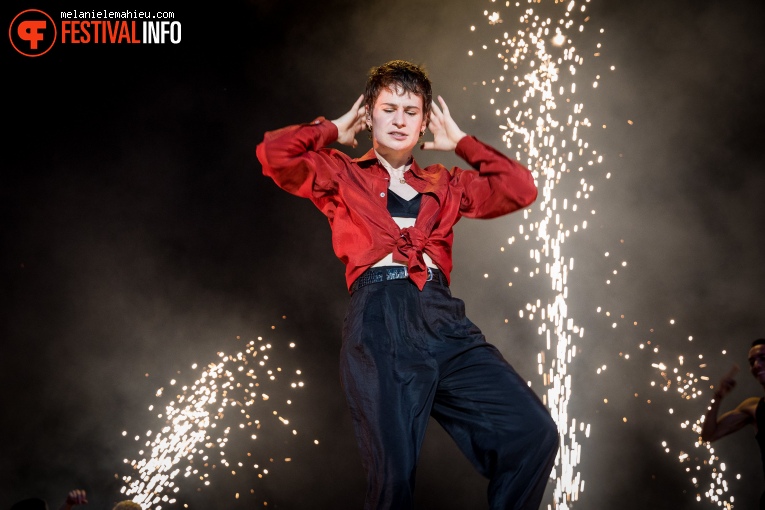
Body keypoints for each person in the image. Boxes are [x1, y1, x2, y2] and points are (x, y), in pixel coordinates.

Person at [256, 59, 558, 510]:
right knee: (393, 483)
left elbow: (521, 188)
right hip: (380, 320)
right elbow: (274, 154)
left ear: (423, 123)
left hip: (442, 320)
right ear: (370, 115)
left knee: (533, 432)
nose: (399, 120)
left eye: (411, 111)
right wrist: (332, 128)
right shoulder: (341, 173)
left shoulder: (447, 182)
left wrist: (462, 144)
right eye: (389, 108)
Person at [700, 338, 765, 509]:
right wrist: (718, 395)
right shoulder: (753, 407)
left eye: (763, 358)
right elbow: (708, 435)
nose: (757, 365)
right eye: (752, 362)